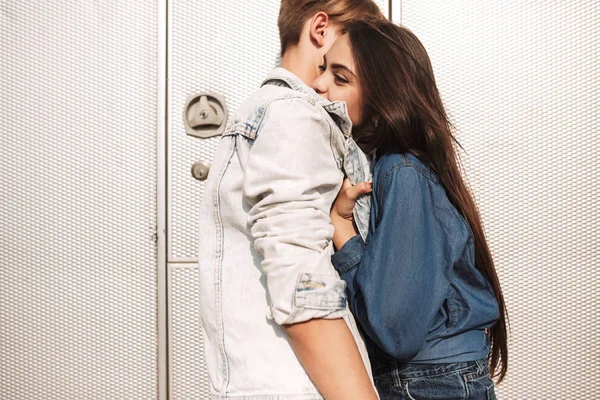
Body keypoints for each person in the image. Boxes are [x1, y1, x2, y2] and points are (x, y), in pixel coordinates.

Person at [196, 1, 384, 399]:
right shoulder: (293, 117)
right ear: (321, 29)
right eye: (362, 48)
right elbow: (305, 291)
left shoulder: (265, 112)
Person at [313, 19, 509, 399]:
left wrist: (342, 227)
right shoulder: (398, 165)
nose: (320, 85)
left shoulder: (401, 170)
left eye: (341, 78)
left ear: (384, 93)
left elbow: (394, 329)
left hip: (429, 383)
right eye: (323, 69)